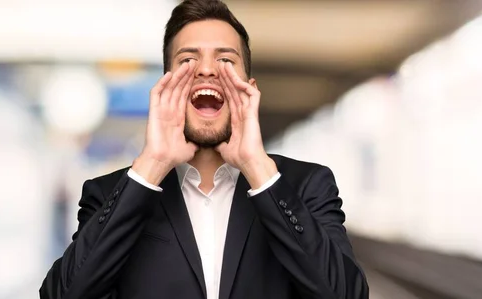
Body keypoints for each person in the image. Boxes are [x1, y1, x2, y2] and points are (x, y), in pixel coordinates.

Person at [40, 0, 369, 298]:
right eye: (187, 60)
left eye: (226, 60)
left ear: (249, 89)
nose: (207, 70)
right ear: (166, 87)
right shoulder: (110, 192)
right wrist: (152, 163)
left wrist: (257, 166)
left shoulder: (307, 185)